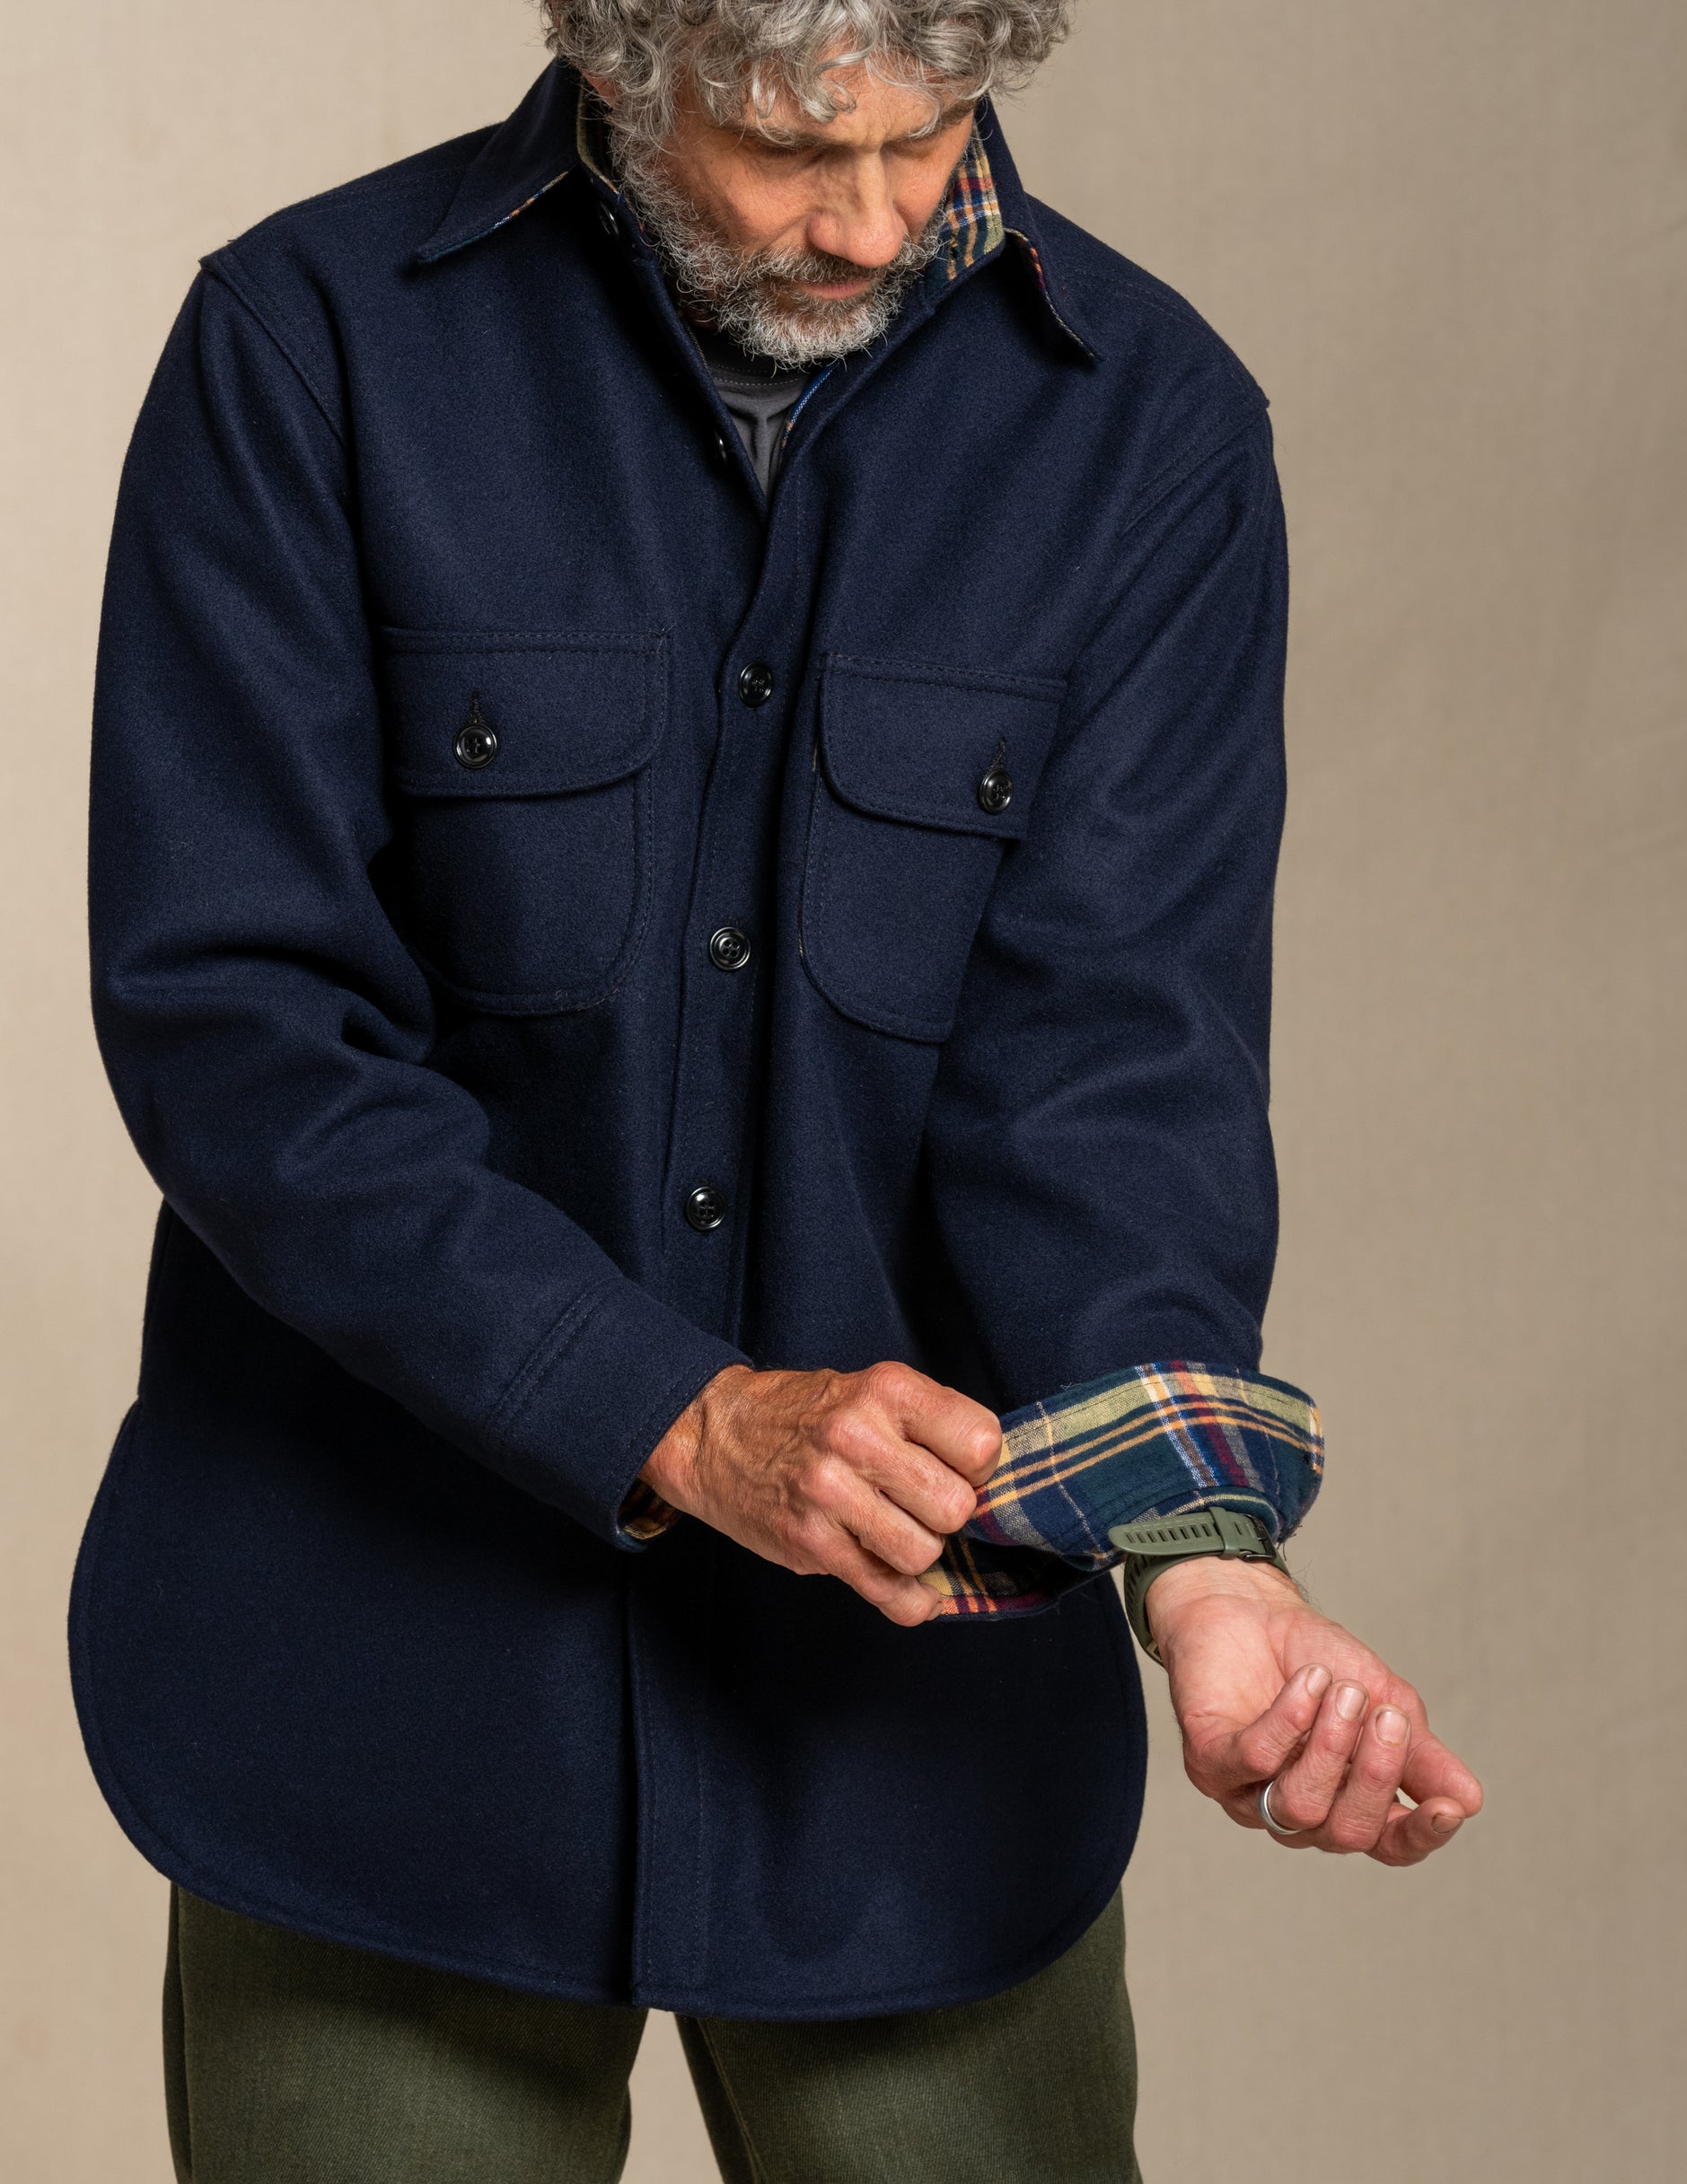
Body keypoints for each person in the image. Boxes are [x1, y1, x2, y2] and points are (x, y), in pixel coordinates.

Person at [76, 4, 1483, 2177]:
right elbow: (244, 1029)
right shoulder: (309, 347)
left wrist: (1206, 1572)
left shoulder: (1153, 430)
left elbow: (1117, 1070)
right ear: (622, 59)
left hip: (914, 1748)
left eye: (937, 136)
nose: (879, 215)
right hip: (368, 1705)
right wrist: (671, 1409)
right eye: (786, 144)